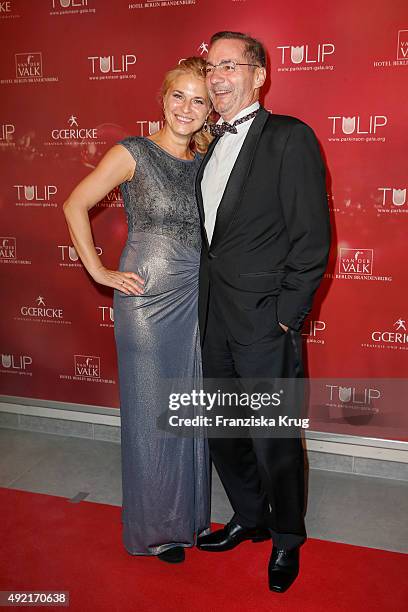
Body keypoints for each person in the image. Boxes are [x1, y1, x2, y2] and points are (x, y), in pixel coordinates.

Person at [63, 57, 213, 564]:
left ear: (210, 108)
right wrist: (99, 272)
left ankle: (188, 517)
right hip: (148, 301)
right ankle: (158, 530)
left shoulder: (208, 160)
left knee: (187, 408)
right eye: (179, 96)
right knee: (153, 411)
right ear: (162, 98)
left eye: (199, 99)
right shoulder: (133, 153)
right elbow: (74, 204)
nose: (187, 108)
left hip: (196, 297)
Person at [195, 32, 331, 592]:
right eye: (210, 67)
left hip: (263, 319)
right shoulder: (205, 143)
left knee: (274, 436)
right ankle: (250, 517)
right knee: (224, 431)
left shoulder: (289, 138)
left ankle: (287, 538)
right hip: (212, 317)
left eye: (231, 65)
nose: (218, 76)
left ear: (259, 76)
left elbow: (312, 239)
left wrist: (286, 316)